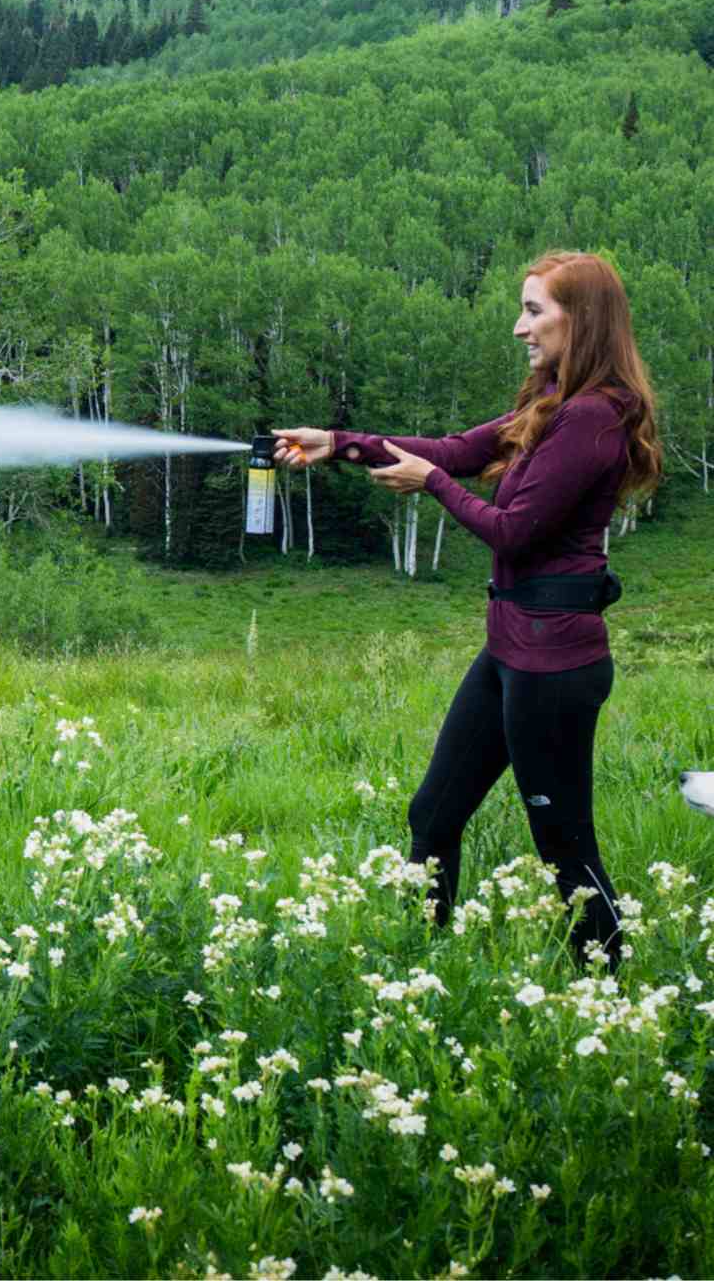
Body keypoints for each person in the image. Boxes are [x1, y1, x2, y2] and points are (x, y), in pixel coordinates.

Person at [273, 251, 661, 967]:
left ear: (584, 320)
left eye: (535, 310)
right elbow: (456, 449)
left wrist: (433, 487)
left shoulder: (592, 420)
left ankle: (611, 990)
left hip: (554, 663)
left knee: (564, 850)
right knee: (434, 812)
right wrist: (342, 445)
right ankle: (415, 967)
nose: (521, 326)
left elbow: (512, 529)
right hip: (512, 648)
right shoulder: (548, 404)